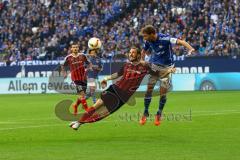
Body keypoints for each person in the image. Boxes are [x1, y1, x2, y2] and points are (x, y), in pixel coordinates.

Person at [69, 47, 175, 130]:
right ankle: (79, 123)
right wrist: (106, 78)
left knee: (103, 114)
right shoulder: (126, 65)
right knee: (97, 105)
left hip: (124, 96)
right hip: (114, 88)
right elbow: (118, 74)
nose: (130, 54)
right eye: (130, 53)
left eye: (133, 53)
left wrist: (169, 70)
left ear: (138, 55)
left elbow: (159, 73)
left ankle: (80, 122)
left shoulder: (145, 66)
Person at [140, 25, 195, 126]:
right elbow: (143, 51)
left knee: (162, 92)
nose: (144, 38)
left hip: (167, 68)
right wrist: (142, 60)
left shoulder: (165, 38)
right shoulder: (148, 41)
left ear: (152, 34)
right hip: (155, 66)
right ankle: (145, 112)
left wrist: (190, 49)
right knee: (149, 89)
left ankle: (159, 114)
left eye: (145, 36)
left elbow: (181, 42)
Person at [61, 42, 91, 115]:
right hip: (75, 79)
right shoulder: (68, 57)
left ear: (78, 48)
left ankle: (75, 105)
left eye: (76, 47)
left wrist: (88, 69)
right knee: (82, 94)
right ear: (71, 49)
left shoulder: (83, 56)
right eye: (74, 47)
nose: (75, 48)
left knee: (82, 95)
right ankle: (87, 110)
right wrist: (64, 73)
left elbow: (89, 63)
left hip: (83, 78)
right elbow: (63, 65)